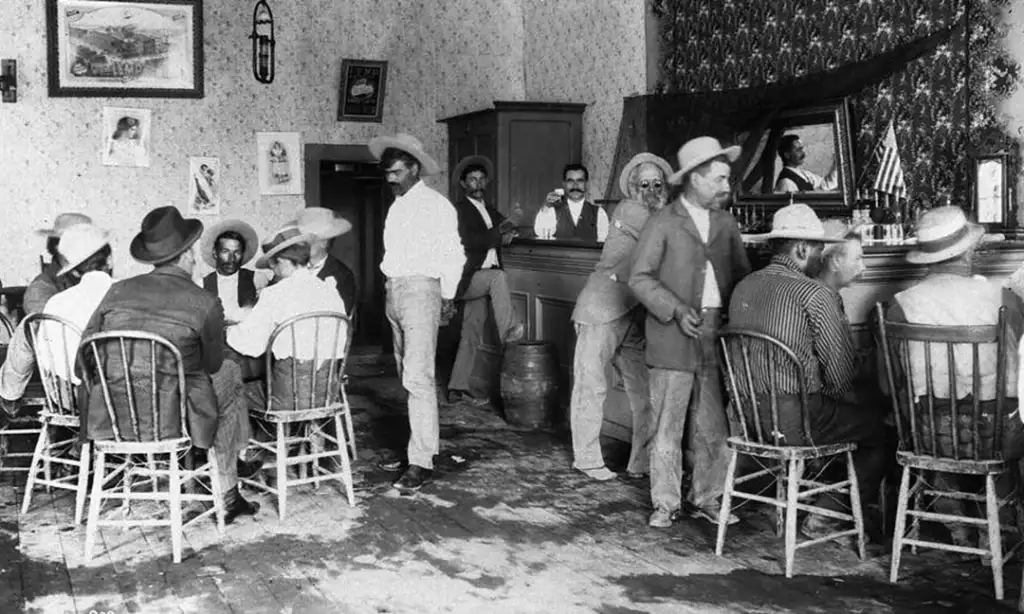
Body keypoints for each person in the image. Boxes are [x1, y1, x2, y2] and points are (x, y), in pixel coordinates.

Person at [81, 206, 259, 524]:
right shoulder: (203, 300)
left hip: (118, 414)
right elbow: (212, 362)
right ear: (188, 254)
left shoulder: (116, 290)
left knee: (212, 380)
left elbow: (86, 351)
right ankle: (227, 490)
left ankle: (212, 477)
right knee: (229, 373)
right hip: (175, 417)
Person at [729, 203, 886, 539]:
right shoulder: (813, 293)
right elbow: (841, 376)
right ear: (801, 248)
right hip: (794, 420)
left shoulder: (743, 287)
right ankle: (827, 512)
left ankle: (813, 495)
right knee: (882, 433)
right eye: (817, 248)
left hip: (748, 418)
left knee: (836, 417)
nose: (820, 256)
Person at [629, 137, 751, 527]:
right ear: (695, 180)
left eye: (727, 179)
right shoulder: (663, 222)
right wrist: (676, 309)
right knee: (668, 423)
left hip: (717, 335)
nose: (726, 187)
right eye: (719, 179)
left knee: (713, 422)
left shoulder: (726, 223)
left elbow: (742, 278)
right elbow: (640, 278)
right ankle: (665, 502)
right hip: (672, 334)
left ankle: (708, 497)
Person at [888, 206, 1023, 546]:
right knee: (1007, 441)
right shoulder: (1004, 298)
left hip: (931, 434)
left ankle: (956, 523)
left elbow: (888, 382)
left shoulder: (900, 305)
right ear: (968, 250)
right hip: (998, 435)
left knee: (933, 426)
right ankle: (1001, 531)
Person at [369, 133, 466, 492]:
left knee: (419, 378)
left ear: (414, 167)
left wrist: (447, 297)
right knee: (406, 375)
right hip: (394, 290)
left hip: (422, 290)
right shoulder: (398, 206)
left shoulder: (437, 206)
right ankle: (419, 448)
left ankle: (421, 461)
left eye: (395, 172)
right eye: (387, 173)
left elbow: (454, 255)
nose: (390, 179)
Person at [569, 152, 672, 482]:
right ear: (632, 187)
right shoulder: (632, 210)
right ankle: (586, 459)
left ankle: (640, 462)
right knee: (591, 387)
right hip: (600, 309)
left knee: (644, 392)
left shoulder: (659, 215)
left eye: (658, 184)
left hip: (630, 312)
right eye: (644, 184)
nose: (651, 189)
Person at [227, 223, 348, 410]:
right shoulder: (330, 290)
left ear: (281, 261)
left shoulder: (275, 293)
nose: (272, 272)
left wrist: (228, 329)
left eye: (272, 265)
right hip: (327, 395)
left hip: (287, 398)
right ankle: (310, 437)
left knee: (231, 390)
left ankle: (248, 440)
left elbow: (250, 345)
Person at [447, 155, 525, 405]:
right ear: (463, 184)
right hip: (468, 278)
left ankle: (456, 387)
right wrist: (503, 230)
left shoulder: (490, 211)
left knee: (471, 332)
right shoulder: (458, 210)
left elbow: (502, 232)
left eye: (481, 179)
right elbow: (472, 242)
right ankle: (510, 336)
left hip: (483, 278)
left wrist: (510, 232)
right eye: (472, 180)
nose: (477, 184)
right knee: (498, 278)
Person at [0, 213, 93, 418]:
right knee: (30, 325)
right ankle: (8, 395)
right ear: (60, 249)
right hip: (70, 386)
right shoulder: (40, 290)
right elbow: (49, 335)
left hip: (102, 380)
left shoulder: (89, 283)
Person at [36, 224, 114, 389]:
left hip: (70, 397)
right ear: (110, 260)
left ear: (74, 271)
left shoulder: (56, 302)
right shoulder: (130, 294)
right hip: (124, 397)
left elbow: (44, 358)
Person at [199, 219, 267, 324]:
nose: (231, 258)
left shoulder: (257, 279)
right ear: (215, 254)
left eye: (237, 252)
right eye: (225, 251)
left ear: (243, 254)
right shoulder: (201, 284)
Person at [294, 208, 358, 314]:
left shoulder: (342, 274)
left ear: (324, 242)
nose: (303, 244)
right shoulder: (292, 265)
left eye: (309, 239)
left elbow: (341, 313)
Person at [533, 164, 609, 242]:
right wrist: (546, 206)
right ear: (564, 184)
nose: (575, 185)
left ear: (587, 184)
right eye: (570, 181)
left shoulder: (599, 212)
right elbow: (540, 232)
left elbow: (603, 245)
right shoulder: (552, 210)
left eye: (580, 181)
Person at [773, 134, 838, 193]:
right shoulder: (786, 182)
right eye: (798, 150)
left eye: (802, 149)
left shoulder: (805, 174)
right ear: (787, 155)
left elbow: (826, 185)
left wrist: (837, 163)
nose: (803, 154)